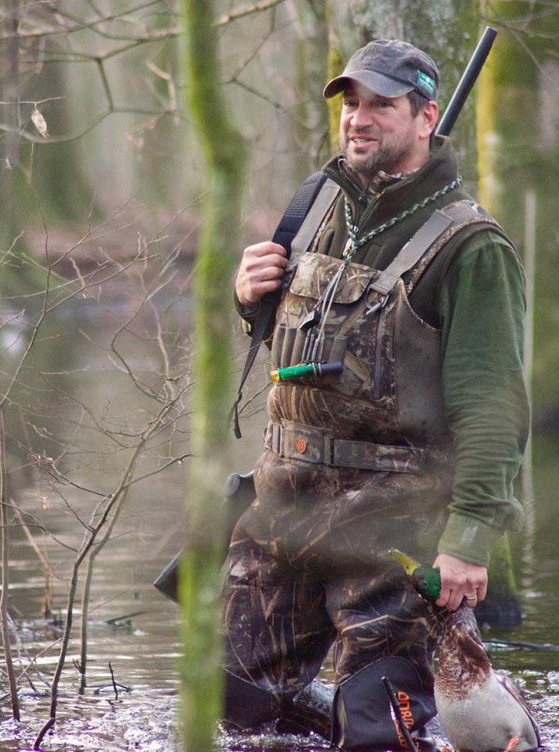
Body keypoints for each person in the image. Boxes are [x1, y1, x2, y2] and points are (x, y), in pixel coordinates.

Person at [224, 39, 530, 751]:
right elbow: (299, 351)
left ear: (426, 119)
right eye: (352, 104)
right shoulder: (318, 206)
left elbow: (494, 407)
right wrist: (249, 300)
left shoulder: (473, 248)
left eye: (381, 106)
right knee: (231, 706)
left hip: (393, 529)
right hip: (282, 510)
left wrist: (469, 541)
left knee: (376, 730)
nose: (358, 119)